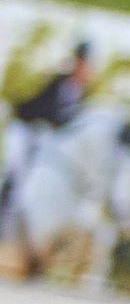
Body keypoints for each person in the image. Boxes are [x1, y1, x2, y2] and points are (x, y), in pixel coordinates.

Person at [0, 43, 93, 220]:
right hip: (27, 127)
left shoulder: (83, 94)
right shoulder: (58, 82)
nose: (83, 70)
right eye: (80, 65)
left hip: (49, 135)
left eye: (86, 66)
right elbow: (43, 110)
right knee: (16, 162)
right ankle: (6, 199)